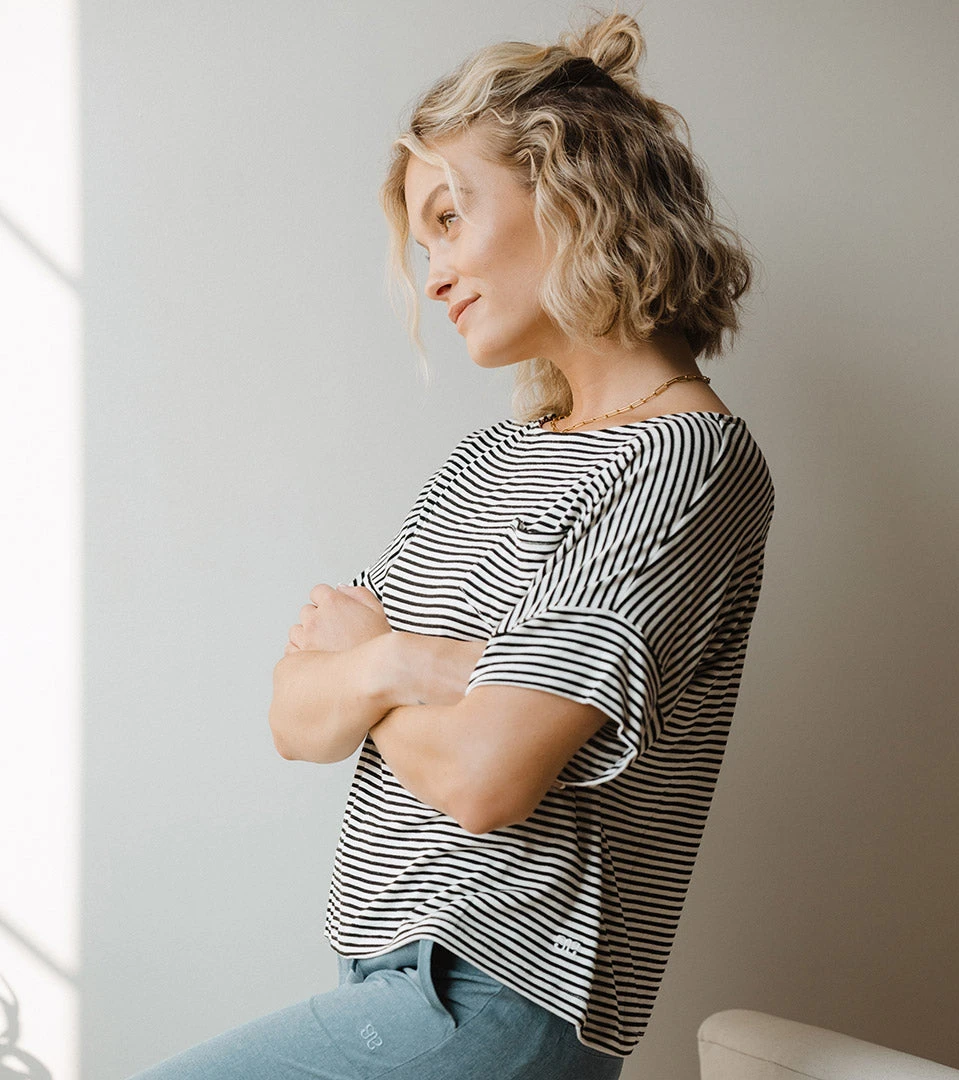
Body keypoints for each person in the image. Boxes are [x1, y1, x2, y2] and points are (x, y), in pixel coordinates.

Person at [128, 8, 774, 1079]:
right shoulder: (487, 461)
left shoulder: (683, 460)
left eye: (447, 218)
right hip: (392, 980)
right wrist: (401, 662)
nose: (431, 275)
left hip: (495, 997)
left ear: (571, 194)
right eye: (418, 240)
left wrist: (372, 677)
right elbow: (294, 717)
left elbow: (487, 778)